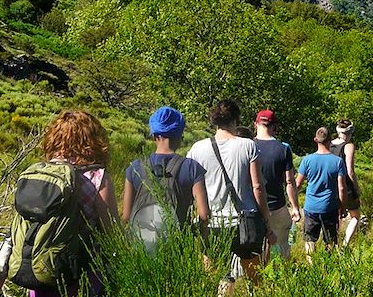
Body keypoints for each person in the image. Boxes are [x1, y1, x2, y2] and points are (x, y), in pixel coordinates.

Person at [186, 100, 277, 294]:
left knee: (217, 278)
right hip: (245, 222)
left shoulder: (197, 149)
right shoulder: (247, 146)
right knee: (256, 279)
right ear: (236, 119)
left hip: (211, 223)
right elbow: (257, 187)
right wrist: (268, 225)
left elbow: (190, 188)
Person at [32, 110, 119, 297]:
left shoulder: (39, 174)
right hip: (81, 273)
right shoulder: (98, 177)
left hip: (40, 270)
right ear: (93, 139)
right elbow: (112, 232)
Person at [122, 106, 210, 246]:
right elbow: (204, 215)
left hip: (141, 248)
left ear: (154, 135)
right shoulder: (191, 167)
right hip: (177, 247)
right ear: (180, 135)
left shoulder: (135, 167)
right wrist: (203, 245)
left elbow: (126, 216)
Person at [253, 109, 301, 261]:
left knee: (254, 250)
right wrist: (294, 207)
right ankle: (280, 279)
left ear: (256, 124)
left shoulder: (247, 146)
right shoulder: (283, 148)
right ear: (274, 126)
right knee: (281, 248)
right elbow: (289, 181)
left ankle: (255, 281)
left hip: (252, 205)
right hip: (276, 206)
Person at [296, 127, 347, 253]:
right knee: (331, 241)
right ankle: (328, 267)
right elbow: (342, 187)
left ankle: (312, 267)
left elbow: (297, 184)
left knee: (309, 240)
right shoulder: (338, 161)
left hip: (311, 207)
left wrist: (294, 205)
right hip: (330, 206)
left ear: (315, 140)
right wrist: (343, 207)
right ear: (330, 140)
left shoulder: (307, 160)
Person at [329, 119, 361, 246]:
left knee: (336, 217)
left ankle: (333, 243)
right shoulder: (348, 146)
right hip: (345, 185)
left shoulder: (329, 144)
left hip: (331, 185)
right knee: (355, 216)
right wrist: (356, 188)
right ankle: (345, 245)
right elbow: (350, 171)